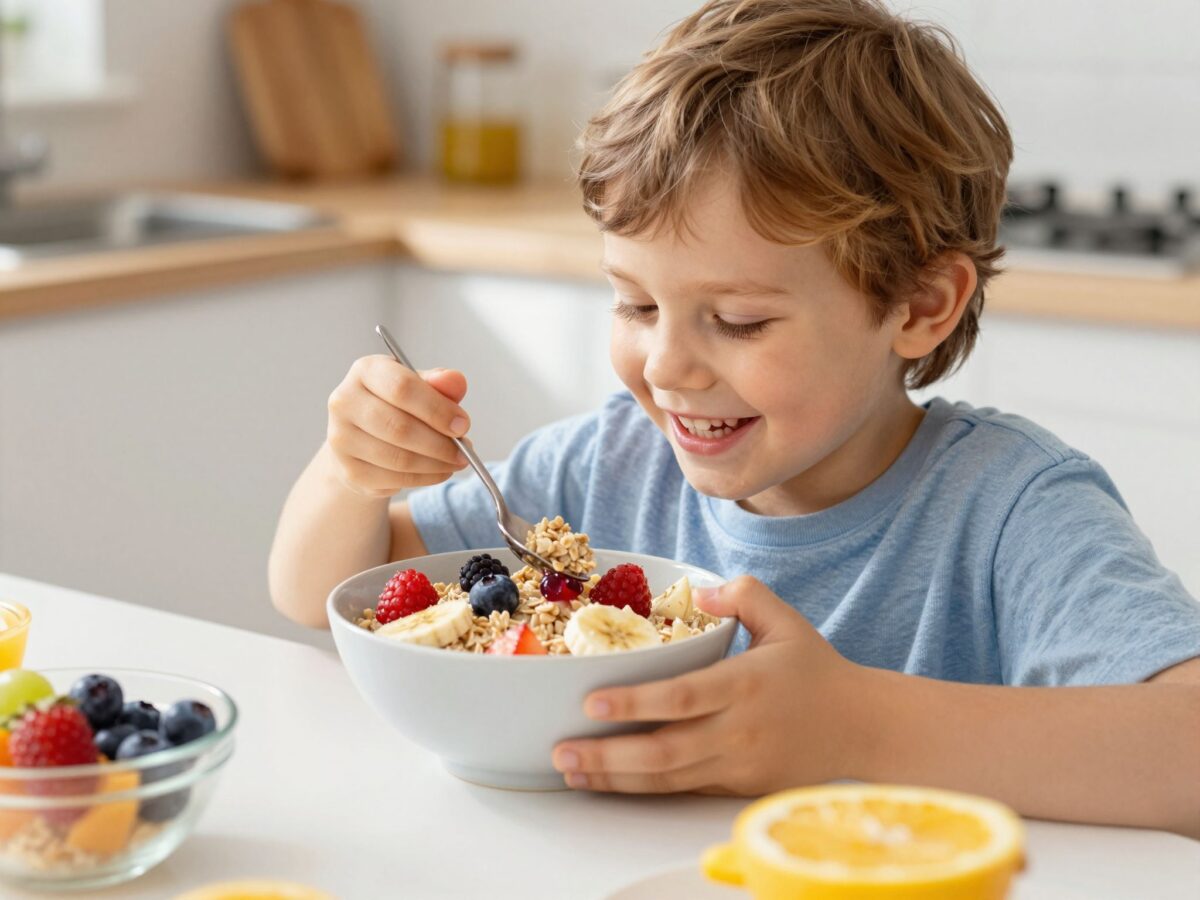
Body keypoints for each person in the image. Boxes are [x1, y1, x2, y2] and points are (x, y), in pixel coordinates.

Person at [269, 0, 1200, 837]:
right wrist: (350, 474)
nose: (665, 366)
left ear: (919, 305)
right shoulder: (604, 466)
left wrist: (853, 725)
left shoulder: (1008, 508)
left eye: (740, 320)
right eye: (636, 305)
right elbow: (322, 591)